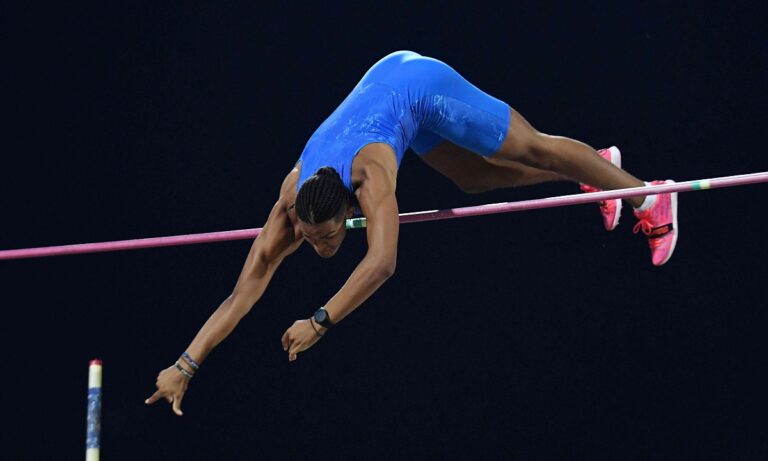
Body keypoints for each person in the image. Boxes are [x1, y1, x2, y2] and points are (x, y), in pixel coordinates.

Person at [145, 50, 678, 415]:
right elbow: (242, 294)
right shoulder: (292, 206)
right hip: (383, 100)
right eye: (313, 239)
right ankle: (598, 170)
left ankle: (649, 194)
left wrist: (320, 320)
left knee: (530, 147)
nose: (321, 247)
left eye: (329, 237)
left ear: (347, 208)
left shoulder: (372, 178)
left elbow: (382, 263)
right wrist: (185, 366)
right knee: (472, 179)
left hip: (414, 86)